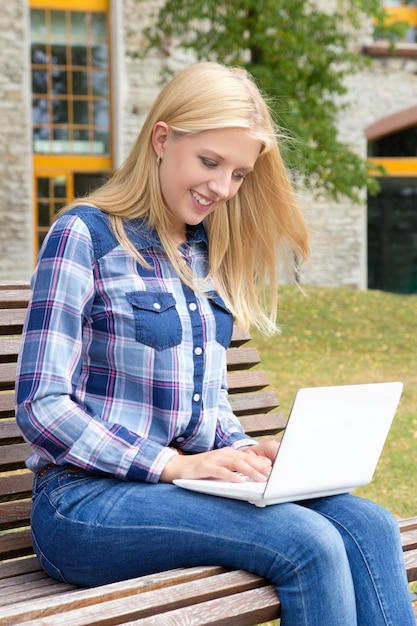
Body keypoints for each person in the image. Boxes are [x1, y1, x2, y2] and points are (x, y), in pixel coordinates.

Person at [16, 62, 414, 626]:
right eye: (210, 162)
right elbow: (42, 405)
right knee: (309, 544)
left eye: (239, 174)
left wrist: (248, 453)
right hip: (82, 503)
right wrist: (172, 466)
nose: (222, 188)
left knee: (369, 525)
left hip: (181, 489)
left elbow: (205, 409)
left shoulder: (206, 252)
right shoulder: (85, 236)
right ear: (162, 139)